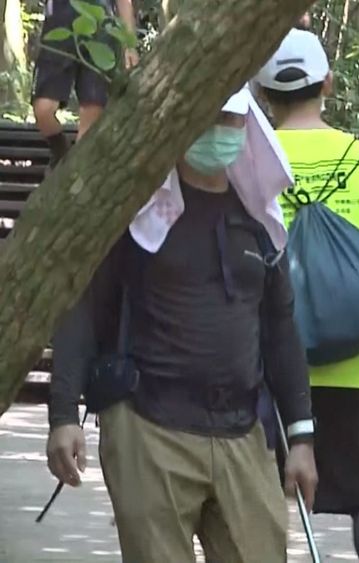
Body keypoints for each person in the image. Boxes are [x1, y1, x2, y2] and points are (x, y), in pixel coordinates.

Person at [46, 87, 318, 562]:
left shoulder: (259, 219)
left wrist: (301, 437)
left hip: (242, 431)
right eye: (206, 116)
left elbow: (280, 329)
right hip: (148, 428)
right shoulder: (137, 212)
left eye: (230, 121)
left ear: (246, 127)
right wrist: (64, 415)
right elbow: (84, 307)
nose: (218, 131)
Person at [256, 29, 359, 563]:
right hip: (356, 367)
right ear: (328, 82)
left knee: (257, 503)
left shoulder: (250, 160)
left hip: (265, 369)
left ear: (263, 93)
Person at [34, 0, 139, 167]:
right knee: (43, 109)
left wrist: (130, 45)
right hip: (59, 25)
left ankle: (73, 173)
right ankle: (60, 153)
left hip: (101, 31)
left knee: (92, 113)